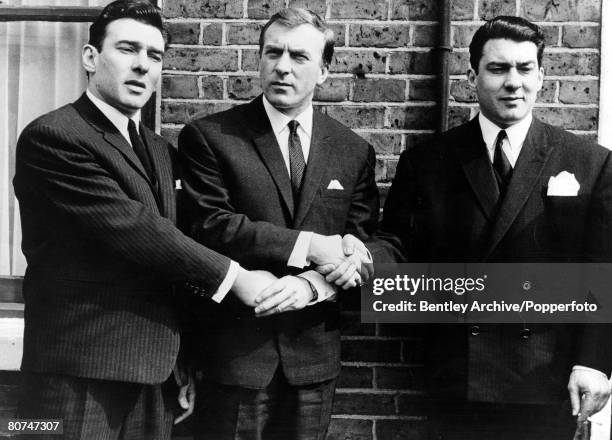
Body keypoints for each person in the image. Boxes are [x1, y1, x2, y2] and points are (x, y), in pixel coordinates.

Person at [13, 1, 277, 438]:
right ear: (90, 58)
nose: (142, 66)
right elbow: (136, 230)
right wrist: (239, 279)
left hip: (153, 374)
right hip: (78, 375)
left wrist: (184, 358)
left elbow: (179, 252)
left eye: (154, 56)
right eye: (127, 49)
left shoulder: (159, 151)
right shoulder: (56, 137)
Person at [376, 15, 612, 439]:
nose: (513, 82)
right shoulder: (428, 162)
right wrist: (355, 257)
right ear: (473, 76)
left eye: (524, 69)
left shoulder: (589, 163)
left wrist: (593, 361)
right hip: (457, 375)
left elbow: (605, 271)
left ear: (541, 76)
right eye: (498, 68)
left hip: (548, 375)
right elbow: (396, 247)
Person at [177, 8, 378, 439]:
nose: (282, 67)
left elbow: (359, 245)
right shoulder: (211, 137)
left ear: (324, 70)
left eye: (299, 57)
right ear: (260, 59)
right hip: (234, 359)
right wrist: (310, 245)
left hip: (313, 362)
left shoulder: (352, 151)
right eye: (273, 53)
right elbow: (212, 227)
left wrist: (312, 284)